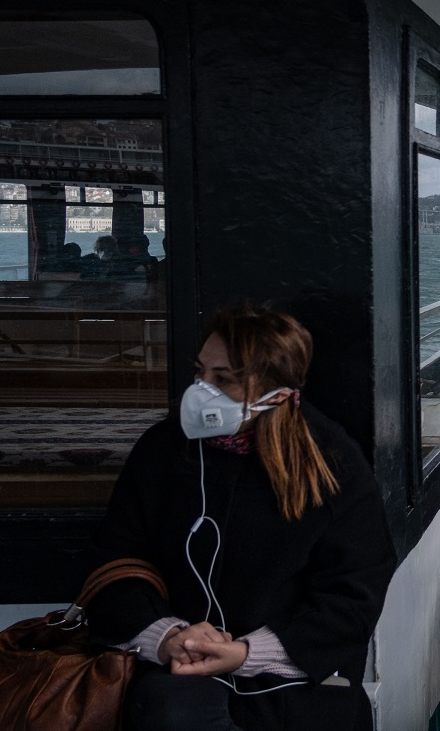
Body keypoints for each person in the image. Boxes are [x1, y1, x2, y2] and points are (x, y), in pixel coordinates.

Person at [87, 305, 398, 731]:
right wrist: (167, 637)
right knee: (173, 712)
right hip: (179, 672)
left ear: (276, 391)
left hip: (295, 674)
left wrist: (249, 654)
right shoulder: (163, 450)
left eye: (223, 379)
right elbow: (118, 560)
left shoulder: (330, 464)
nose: (201, 390)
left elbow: (355, 588)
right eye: (200, 373)